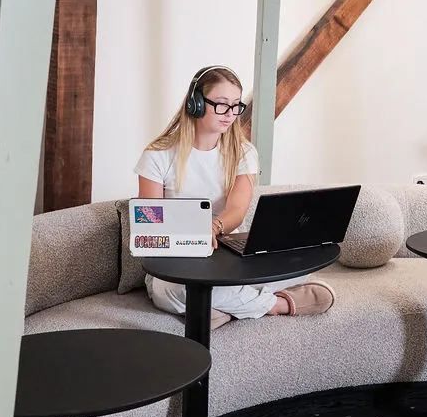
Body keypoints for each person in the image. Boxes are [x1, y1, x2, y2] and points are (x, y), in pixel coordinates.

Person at [135, 65, 335, 324]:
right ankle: (278, 304)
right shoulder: (157, 155)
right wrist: (192, 235)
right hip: (176, 262)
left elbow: (237, 211)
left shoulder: (244, 152)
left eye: (236, 105)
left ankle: (214, 310)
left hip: (226, 255)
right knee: (170, 291)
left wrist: (213, 227)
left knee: (296, 267)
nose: (230, 114)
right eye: (221, 104)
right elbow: (151, 221)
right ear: (195, 103)